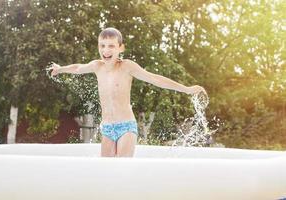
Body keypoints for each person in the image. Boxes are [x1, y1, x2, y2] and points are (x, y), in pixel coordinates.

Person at [48, 27, 206, 157]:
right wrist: (60, 69)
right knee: (107, 171)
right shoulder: (97, 66)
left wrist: (186, 89)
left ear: (120, 48)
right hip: (107, 128)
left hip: (126, 127)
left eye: (111, 46)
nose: (106, 50)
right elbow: (78, 68)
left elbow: (155, 79)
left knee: (122, 170)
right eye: (102, 45)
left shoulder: (127, 67)